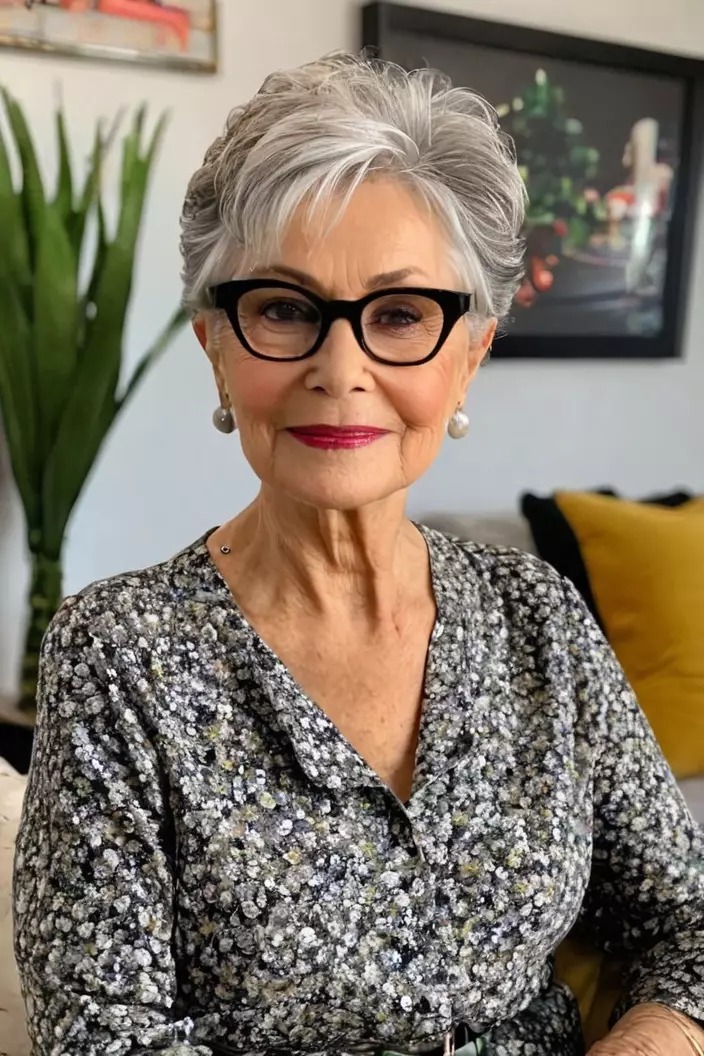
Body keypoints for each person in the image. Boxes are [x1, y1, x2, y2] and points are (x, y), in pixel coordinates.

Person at [13, 52, 704, 1056]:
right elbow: (102, 1036)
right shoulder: (121, 652)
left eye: (398, 316)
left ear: (469, 351)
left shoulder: (535, 618)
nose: (341, 372)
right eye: (286, 310)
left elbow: (681, 918)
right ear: (216, 340)